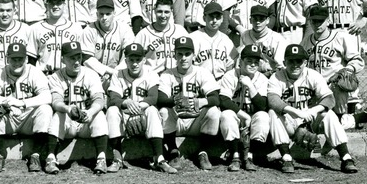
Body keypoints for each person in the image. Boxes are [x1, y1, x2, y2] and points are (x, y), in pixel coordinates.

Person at [267, 43, 359, 174]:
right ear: (284, 62)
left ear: (305, 62)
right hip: (290, 120)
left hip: (310, 118)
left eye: (299, 61)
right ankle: (286, 158)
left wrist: (312, 111)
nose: (295, 65)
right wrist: (296, 112)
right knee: (273, 113)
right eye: (291, 61)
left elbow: (329, 99)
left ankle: (346, 157)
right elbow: (273, 100)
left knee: (329, 114)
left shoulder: (313, 75)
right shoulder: (277, 76)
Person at [304, 4, 367, 128]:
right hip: (314, 90)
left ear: (328, 21)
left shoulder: (340, 38)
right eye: (314, 21)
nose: (317, 24)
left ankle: (363, 116)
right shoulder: (306, 41)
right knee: (318, 124)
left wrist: (346, 71)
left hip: (335, 87)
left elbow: (357, 60)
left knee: (330, 125)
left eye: (320, 21)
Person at [0, 41, 53, 173]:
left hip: (28, 118)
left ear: (27, 59)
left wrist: (23, 102)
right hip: (9, 118)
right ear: (7, 59)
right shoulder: (0, 73)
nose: (17, 62)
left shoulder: (34, 72)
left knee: (45, 110)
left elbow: (47, 96)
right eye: (13, 59)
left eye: (20, 59)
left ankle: (35, 155)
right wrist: (5, 101)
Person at [105, 42, 174, 174]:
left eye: (138, 60)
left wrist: (137, 106)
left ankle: (159, 158)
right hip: (124, 116)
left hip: (143, 113)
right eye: (131, 60)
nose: (135, 63)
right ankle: (117, 158)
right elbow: (114, 99)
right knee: (112, 111)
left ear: (144, 60)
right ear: (126, 60)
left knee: (152, 110)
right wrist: (126, 103)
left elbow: (153, 98)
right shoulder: (118, 74)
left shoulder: (151, 73)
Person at [157, 36, 221, 171]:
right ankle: (173, 150)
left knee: (214, 111)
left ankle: (203, 152)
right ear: (174, 55)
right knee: (163, 111)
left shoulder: (202, 72)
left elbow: (216, 98)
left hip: (196, 121)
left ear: (193, 55)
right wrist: (176, 100)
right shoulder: (167, 74)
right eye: (180, 54)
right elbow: (160, 99)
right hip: (177, 122)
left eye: (187, 54)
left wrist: (201, 101)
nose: (183, 58)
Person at [45, 41, 109, 174]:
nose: (76, 61)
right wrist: (67, 109)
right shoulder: (56, 77)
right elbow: (56, 101)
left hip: (86, 121)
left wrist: (90, 112)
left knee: (100, 114)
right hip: (68, 124)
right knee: (58, 114)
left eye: (78, 57)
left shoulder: (91, 74)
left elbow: (99, 99)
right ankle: (51, 158)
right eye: (71, 58)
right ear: (63, 59)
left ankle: (101, 159)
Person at [218, 43, 271, 171]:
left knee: (263, 116)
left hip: (253, 118)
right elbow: (224, 100)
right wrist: (244, 115)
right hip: (238, 117)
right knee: (226, 115)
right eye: (249, 61)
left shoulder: (262, 79)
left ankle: (249, 156)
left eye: (256, 62)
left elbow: (262, 106)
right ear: (241, 62)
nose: (253, 64)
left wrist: (250, 86)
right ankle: (235, 156)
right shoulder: (230, 75)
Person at [81, 0, 135, 89]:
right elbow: (86, 58)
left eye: (108, 14)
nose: (104, 18)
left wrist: (117, 72)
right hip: (93, 73)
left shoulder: (125, 29)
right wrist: (108, 71)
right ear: (97, 14)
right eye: (101, 14)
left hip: (119, 73)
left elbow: (129, 55)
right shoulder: (89, 30)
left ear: (114, 13)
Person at [27, 0, 83, 75]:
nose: (55, 6)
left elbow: (82, 57)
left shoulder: (76, 28)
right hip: (44, 74)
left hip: (68, 75)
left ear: (64, 4)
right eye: (52, 3)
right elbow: (31, 58)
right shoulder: (36, 28)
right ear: (46, 5)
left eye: (58, 3)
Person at [134, 0, 189, 74]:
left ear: (171, 12)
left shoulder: (180, 31)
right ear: (154, 11)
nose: (163, 16)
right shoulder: (143, 34)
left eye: (166, 12)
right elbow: (134, 58)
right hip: (153, 77)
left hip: (176, 76)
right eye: (160, 11)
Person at [190, 1, 236, 78]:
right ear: (204, 18)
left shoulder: (226, 40)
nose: (214, 20)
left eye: (217, 17)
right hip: (199, 80)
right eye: (211, 16)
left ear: (221, 19)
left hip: (221, 81)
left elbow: (230, 65)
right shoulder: (193, 37)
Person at [237, 4, 286, 74]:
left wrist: (266, 75)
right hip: (250, 74)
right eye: (255, 19)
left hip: (272, 75)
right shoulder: (245, 35)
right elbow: (240, 62)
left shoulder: (277, 39)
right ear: (250, 20)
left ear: (267, 20)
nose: (258, 22)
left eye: (261, 19)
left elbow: (281, 67)